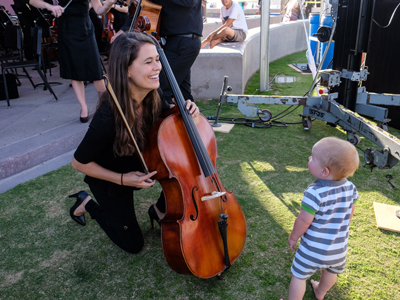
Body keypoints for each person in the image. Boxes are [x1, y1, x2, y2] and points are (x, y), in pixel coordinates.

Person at [69, 32, 200, 254]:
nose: (157, 67)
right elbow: (78, 163)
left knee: (183, 167)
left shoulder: (153, 92)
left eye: (157, 59)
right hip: (111, 178)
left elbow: (166, 113)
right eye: (148, 62)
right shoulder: (107, 118)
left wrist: (186, 109)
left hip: (140, 163)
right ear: (127, 70)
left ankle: (160, 210)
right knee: (133, 245)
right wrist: (123, 179)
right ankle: (85, 203)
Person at [285, 137, 359, 300]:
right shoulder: (351, 188)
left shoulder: (314, 192)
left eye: (312, 157)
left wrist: (293, 238)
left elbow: (304, 221)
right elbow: (349, 214)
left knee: (299, 276)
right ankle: (321, 291)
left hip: (312, 249)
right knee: (331, 271)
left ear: (324, 171)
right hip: (338, 248)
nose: (309, 158)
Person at [29, 0, 116, 123]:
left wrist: (108, 4)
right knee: (74, 70)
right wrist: (50, 6)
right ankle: (83, 107)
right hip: (67, 31)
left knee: (95, 69)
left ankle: (106, 104)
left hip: (85, 30)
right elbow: (32, 1)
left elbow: (99, 10)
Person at [112, 0, 203, 105]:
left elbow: (189, 2)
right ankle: (192, 121)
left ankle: (164, 121)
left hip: (183, 42)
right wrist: (121, 32)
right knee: (182, 93)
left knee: (161, 90)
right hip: (173, 42)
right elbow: (141, 13)